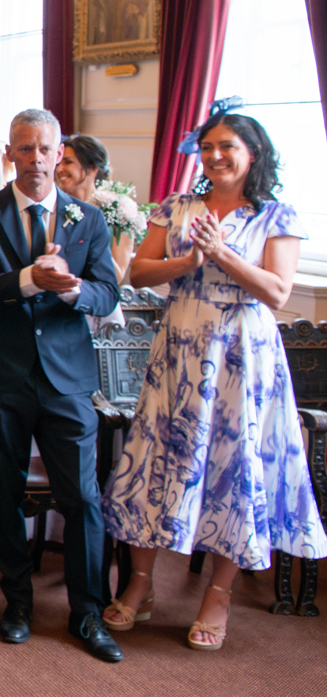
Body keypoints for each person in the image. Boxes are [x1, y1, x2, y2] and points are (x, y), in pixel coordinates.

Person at [102, 112, 326, 650]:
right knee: (154, 459)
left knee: (234, 465)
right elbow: (138, 273)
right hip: (180, 347)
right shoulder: (176, 207)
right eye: (206, 147)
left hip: (242, 355)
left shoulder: (275, 215)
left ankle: (218, 596)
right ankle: (140, 584)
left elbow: (277, 292)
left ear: (253, 152)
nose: (215, 156)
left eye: (227, 146)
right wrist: (190, 260)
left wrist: (222, 253)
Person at [0, 108, 122, 662]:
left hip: (67, 378)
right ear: (10, 154)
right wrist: (31, 279)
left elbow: (107, 293)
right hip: (2, 374)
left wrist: (71, 288)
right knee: (4, 493)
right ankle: (18, 603)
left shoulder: (87, 219)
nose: (35, 159)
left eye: (44, 149)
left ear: (59, 154)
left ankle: (87, 612)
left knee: (83, 498)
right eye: (24, 148)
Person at [55, 134, 133, 287]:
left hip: (96, 294)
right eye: (58, 163)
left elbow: (116, 276)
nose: (59, 169)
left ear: (91, 168)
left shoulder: (117, 210)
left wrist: (91, 230)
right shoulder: (53, 207)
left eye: (68, 162)